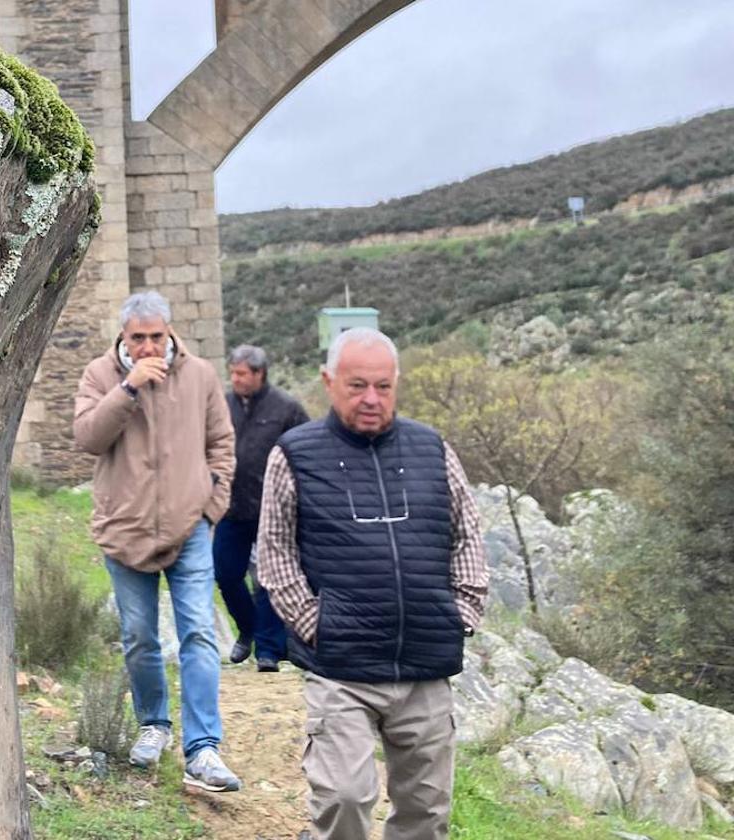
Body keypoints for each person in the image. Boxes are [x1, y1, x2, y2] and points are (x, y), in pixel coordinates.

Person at [257, 327, 488, 840]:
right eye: (358, 385)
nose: (371, 399)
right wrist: (318, 626)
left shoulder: (433, 448)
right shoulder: (294, 455)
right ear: (328, 381)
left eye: (383, 387)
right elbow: (275, 555)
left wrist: (462, 612)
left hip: (425, 666)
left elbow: (468, 533)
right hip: (342, 668)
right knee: (344, 798)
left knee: (426, 815)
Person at [73, 290, 242, 793]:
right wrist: (127, 388)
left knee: (199, 633)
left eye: (156, 336)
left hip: (189, 526)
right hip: (124, 530)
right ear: (123, 337)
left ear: (169, 332)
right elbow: (87, 438)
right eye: (138, 337)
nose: (148, 346)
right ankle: (154, 725)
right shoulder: (98, 375)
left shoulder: (200, 376)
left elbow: (222, 445)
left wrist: (212, 507)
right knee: (141, 636)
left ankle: (203, 748)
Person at [215, 344, 309, 672]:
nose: (236, 379)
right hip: (231, 507)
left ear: (259, 374)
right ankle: (248, 628)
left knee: (269, 578)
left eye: (242, 373)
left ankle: (269, 650)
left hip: (274, 509)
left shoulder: (287, 409)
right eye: (233, 373)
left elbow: (306, 453)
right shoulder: (222, 406)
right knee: (225, 573)